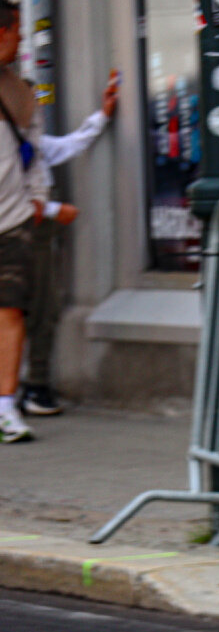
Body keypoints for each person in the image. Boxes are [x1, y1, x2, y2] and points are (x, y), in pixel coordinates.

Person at [18, 70, 120, 416]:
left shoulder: (33, 142)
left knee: (41, 309)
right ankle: (29, 388)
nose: (36, 110)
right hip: (22, 229)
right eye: (30, 103)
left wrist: (102, 116)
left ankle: (33, 384)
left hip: (37, 230)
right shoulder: (11, 143)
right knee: (25, 310)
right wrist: (52, 209)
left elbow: (70, 144)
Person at [0, 0, 49, 443]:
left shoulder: (20, 91)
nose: (20, 39)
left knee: (11, 309)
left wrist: (38, 198)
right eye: (16, 30)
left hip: (11, 217)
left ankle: (5, 408)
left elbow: (34, 151)